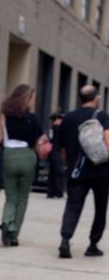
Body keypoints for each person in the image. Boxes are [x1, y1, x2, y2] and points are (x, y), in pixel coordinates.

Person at [58, 85, 109, 259]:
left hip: (76, 171)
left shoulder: (69, 117)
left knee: (73, 205)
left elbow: (63, 147)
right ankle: (93, 244)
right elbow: (108, 140)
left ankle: (65, 239)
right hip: (101, 171)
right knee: (100, 208)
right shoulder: (102, 116)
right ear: (95, 98)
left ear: (80, 99)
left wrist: (70, 165)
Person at [0, 84, 42, 247]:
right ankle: (13, 235)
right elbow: (38, 143)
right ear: (27, 99)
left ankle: (6, 222)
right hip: (27, 156)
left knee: (10, 198)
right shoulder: (33, 119)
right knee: (22, 199)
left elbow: (0, 138)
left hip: (9, 155)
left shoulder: (5, 115)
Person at [46, 112, 65, 198]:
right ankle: (58, 191)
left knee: (52, 172)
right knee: (59, 172)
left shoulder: (51, 129)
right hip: (57, 152)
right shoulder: (58, 128)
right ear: (57, 120)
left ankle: (51, 192)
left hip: (51, 152)